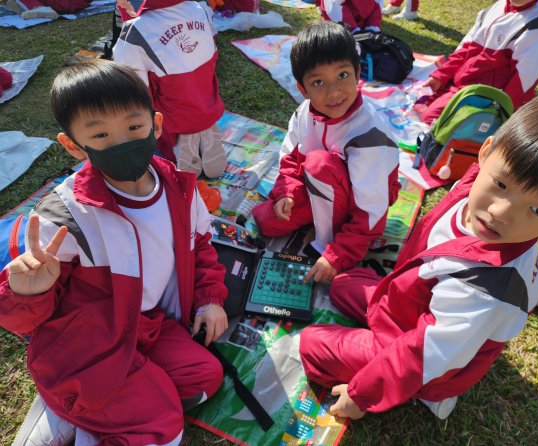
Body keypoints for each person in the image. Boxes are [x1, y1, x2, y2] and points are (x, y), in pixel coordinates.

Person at [299, 92, 538, 420]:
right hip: (412, 305)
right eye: (501, 184)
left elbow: (426, 354)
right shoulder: (469, 185)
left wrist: (361, 396)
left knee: (311, 345)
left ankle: (431, 395)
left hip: (432, 355)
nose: (499, 212)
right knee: (341, 283)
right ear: (486, 152)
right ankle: (532, 293)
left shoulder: (485, 287)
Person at [0, 59, 229, 445]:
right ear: (74, 146)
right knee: (163, 428)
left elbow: (201, 245)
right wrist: (27, 291)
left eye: (134, 127)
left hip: (147, 326)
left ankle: (88, 408)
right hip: (88, 344)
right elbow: (28, 323)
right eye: (101, 134)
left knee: (203, 379)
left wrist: (209, 299)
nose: (123, 143)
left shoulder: (179, 187)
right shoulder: (66, 215)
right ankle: (69, 403)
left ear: (156, 124)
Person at [252, 22, 401, 283]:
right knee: (266, 221)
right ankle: (320, 212)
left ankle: (327, 240)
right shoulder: (304, 112)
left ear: (357, 73)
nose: (333, 92)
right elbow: (290, 157)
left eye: (342, 75)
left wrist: (335, 255)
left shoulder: (370, 136)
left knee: (318, 163)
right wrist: (287, 193)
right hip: (321, 188)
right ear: (303, 89)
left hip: (360, 206)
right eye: (318, 82)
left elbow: (371, 211)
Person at [113, 0, 228, 178]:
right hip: (208, 103)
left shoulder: (134, 32)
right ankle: (203, 132)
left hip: (172, 119)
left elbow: (134, 90)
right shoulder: (198, 7)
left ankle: (177, 147)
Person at [416, 0, 538, 124]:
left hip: (483, 99)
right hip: (461, 84)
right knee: (417, 107)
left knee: (429, 121)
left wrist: (495, 117)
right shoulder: (497, 7)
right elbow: (465, 49)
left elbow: (520, 87)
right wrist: (440, 76)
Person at [318, 0, 383, 33]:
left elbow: (376, 8)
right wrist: (353, 30)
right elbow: (332, 9)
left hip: (364, 27)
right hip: (343, 27)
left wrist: (373, 27)